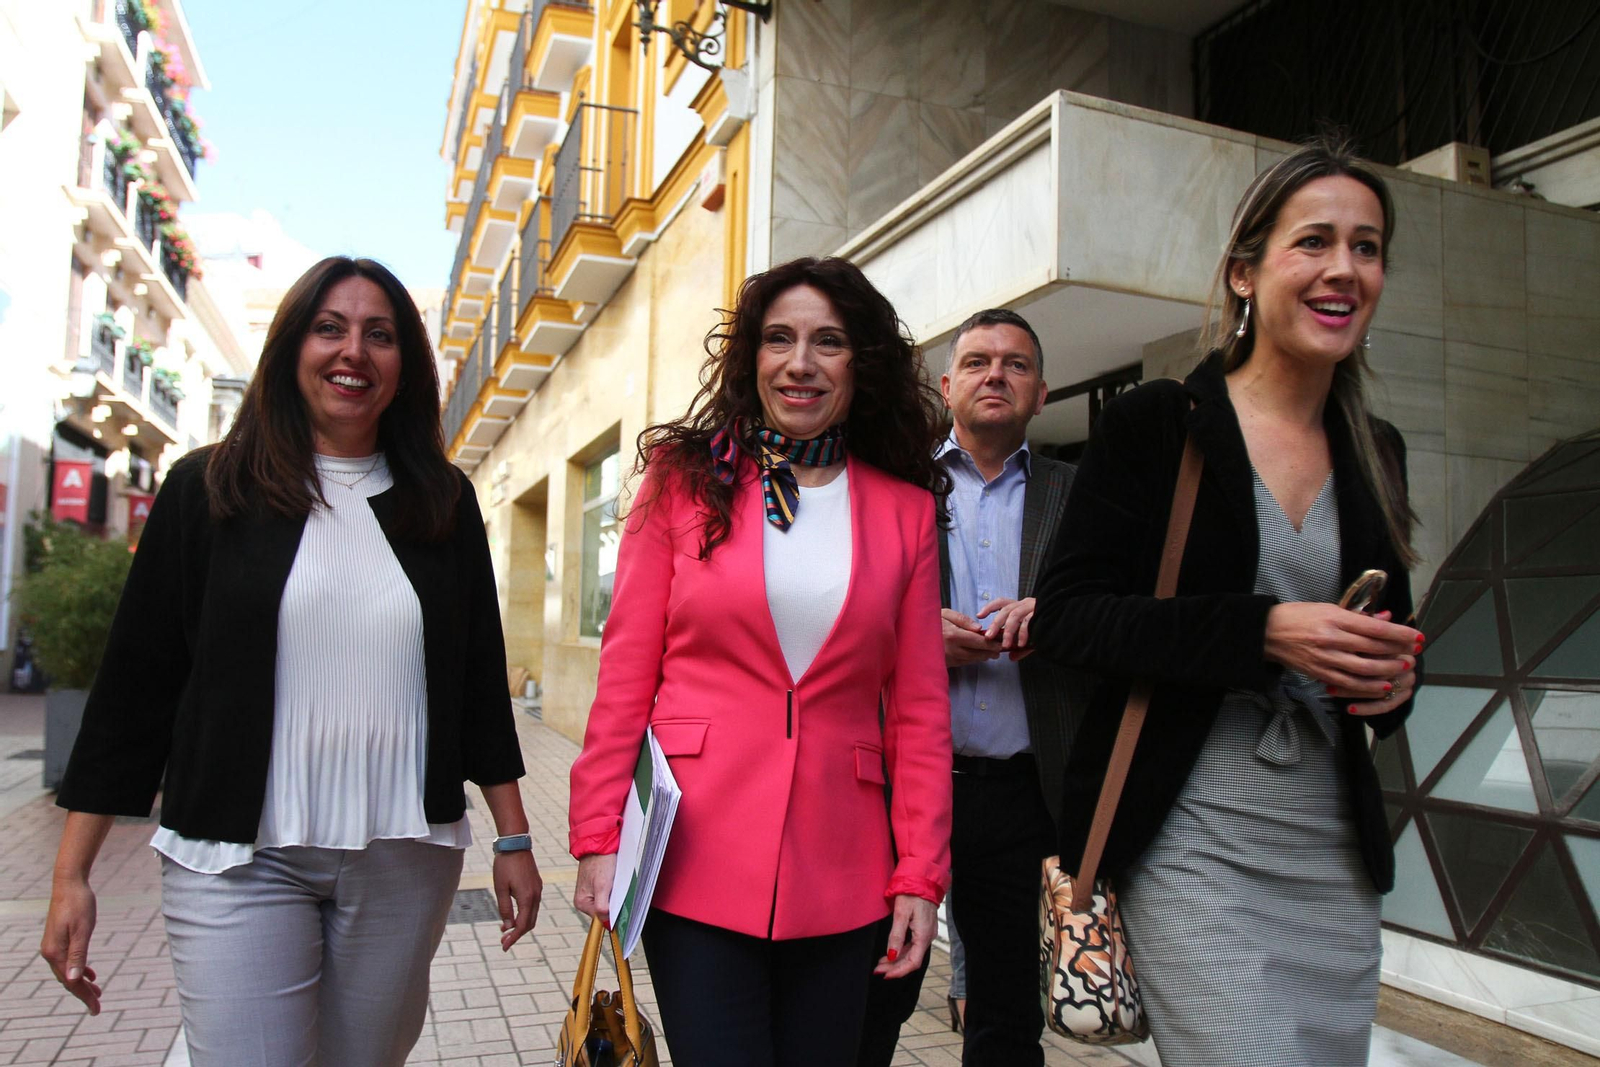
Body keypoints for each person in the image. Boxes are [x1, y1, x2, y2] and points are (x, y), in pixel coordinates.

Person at [40, 256, 542, 1067]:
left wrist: (514, 840)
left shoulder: (442, 502)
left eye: (380, 335)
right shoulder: (208, 489)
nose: (354, 352)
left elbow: (479, 681)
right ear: (291, 349)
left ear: (405, 365)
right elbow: (136, 688)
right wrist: (72, 875)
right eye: (330, 328)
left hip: (404, 855)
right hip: (238, 858)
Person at [1030, 137, 1424, 1065]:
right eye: (1315, 242)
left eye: (1366, 248)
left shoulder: (1378, 448)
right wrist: (1265, 630)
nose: (1344, 269)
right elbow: (1068, 616)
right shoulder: (1157, 423)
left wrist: (1387, 678)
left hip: (1329, 844)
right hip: (1192, 832)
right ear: (1244, 273)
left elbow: (1392, 648)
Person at [568, 256, 953, 1066]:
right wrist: (599, 834)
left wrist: (920, 873)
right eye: (779, 339)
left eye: (828, 342)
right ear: (751, 357)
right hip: (695, 853)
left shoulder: (907, 512)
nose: (800, 363)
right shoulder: (681, 481)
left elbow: (919, 709)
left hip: (846, 867)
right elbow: (625, 675)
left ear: (862, 362)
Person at [858, 308, 1087, 1067]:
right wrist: (917, 638)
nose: (997, 374)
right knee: (877, 991)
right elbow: (843, 617)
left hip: (1021, 791)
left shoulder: (1075, 495)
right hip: (904, 787)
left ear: (1042, 392)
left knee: (1008, 1014)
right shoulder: (893, 486)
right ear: (947, 384)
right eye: (980, 361)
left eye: (1016, 363)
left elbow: (1112, 615)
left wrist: (1053, 617)